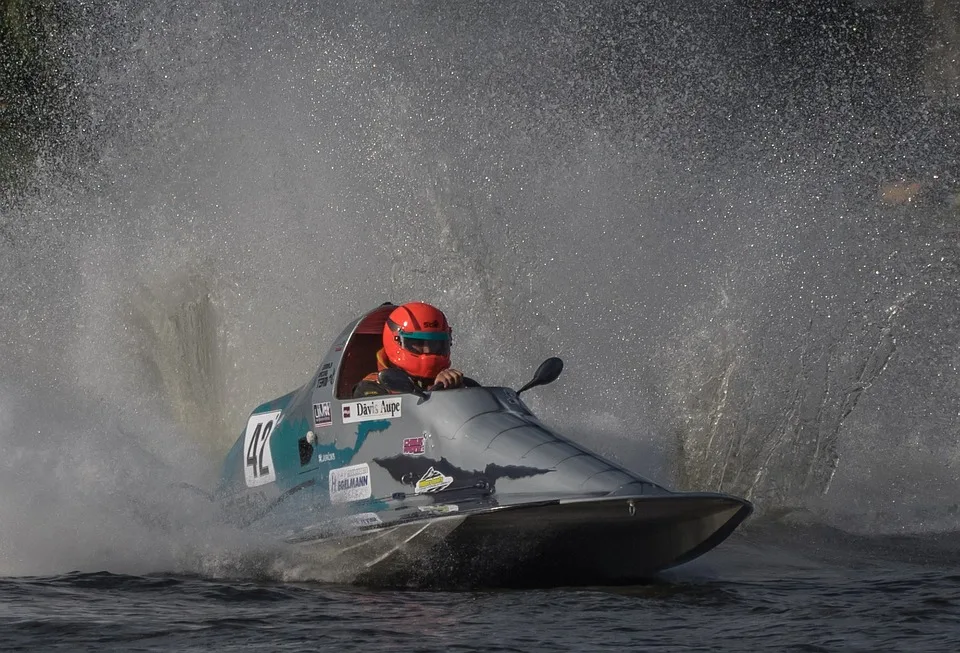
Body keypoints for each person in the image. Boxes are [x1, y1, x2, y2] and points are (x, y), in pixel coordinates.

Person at [353, 302, 465, 397]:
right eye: (418, 343)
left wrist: (454, 390)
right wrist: (436, 395)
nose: (427, 350)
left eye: (435, 343)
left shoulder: (451, 383)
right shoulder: (371, 388)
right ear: (395, 340)